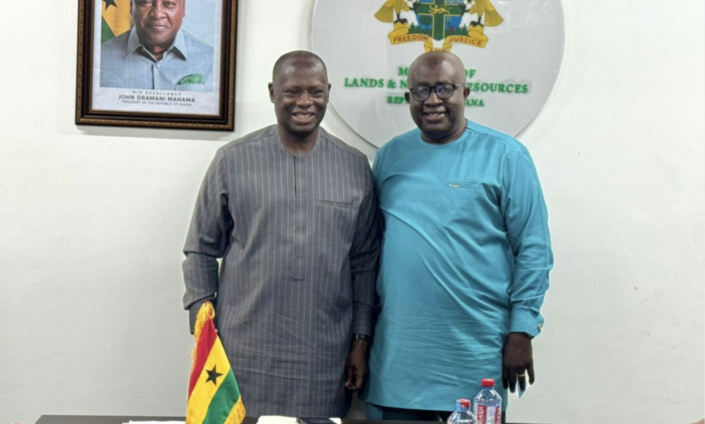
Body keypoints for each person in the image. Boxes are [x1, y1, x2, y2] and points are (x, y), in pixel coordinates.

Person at [182, 51, 380, 417]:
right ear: (273, 92)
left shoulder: (354, 166)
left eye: (315, 92)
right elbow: (200, 250)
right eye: (292, 91)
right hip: (242, 351)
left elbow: (366, 263)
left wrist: (361, 339)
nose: (305, 102)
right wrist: (204, 329)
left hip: (326, 356)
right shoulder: (233, 160)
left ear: (328, 92)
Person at [360, 51, 553, 420]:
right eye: (421, 90)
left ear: (466, 92)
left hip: (476, 358)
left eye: (445, 89)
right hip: (398, 360)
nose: (433, 100)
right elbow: (372, 249)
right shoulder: (389, 156)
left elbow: (534, 249)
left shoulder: (506, 155)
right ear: (408, 97)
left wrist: (522, 330)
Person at [100, 0, 213, 91]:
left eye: (168, 3)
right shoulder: (99, 58)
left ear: (183, 8)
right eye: (145, 2)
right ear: (131, 6)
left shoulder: (212, 61)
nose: (157, 14)